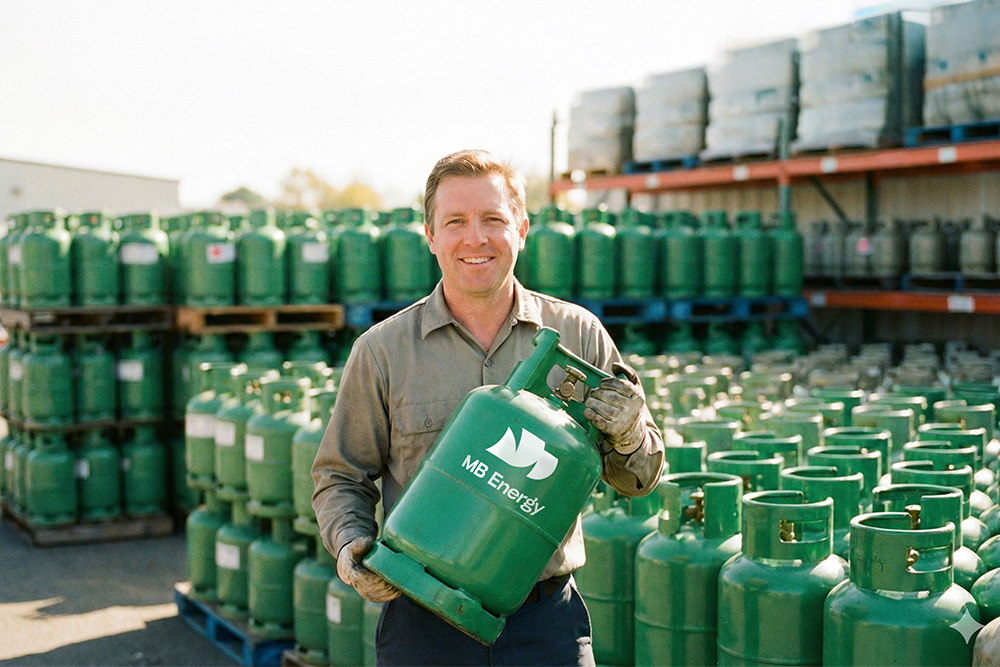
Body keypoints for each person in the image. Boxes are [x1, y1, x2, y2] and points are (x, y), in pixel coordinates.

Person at [312, 149, 664, 666]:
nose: (475, 238)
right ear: (430, 236)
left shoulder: (579, 335)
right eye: (455, 222)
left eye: (493, 220)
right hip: (422, 621)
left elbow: (642, 479)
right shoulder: (384, 352)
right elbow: (340, 475)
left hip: (544, 625)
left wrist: (630, 437)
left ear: (521, 228)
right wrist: (350, 547)